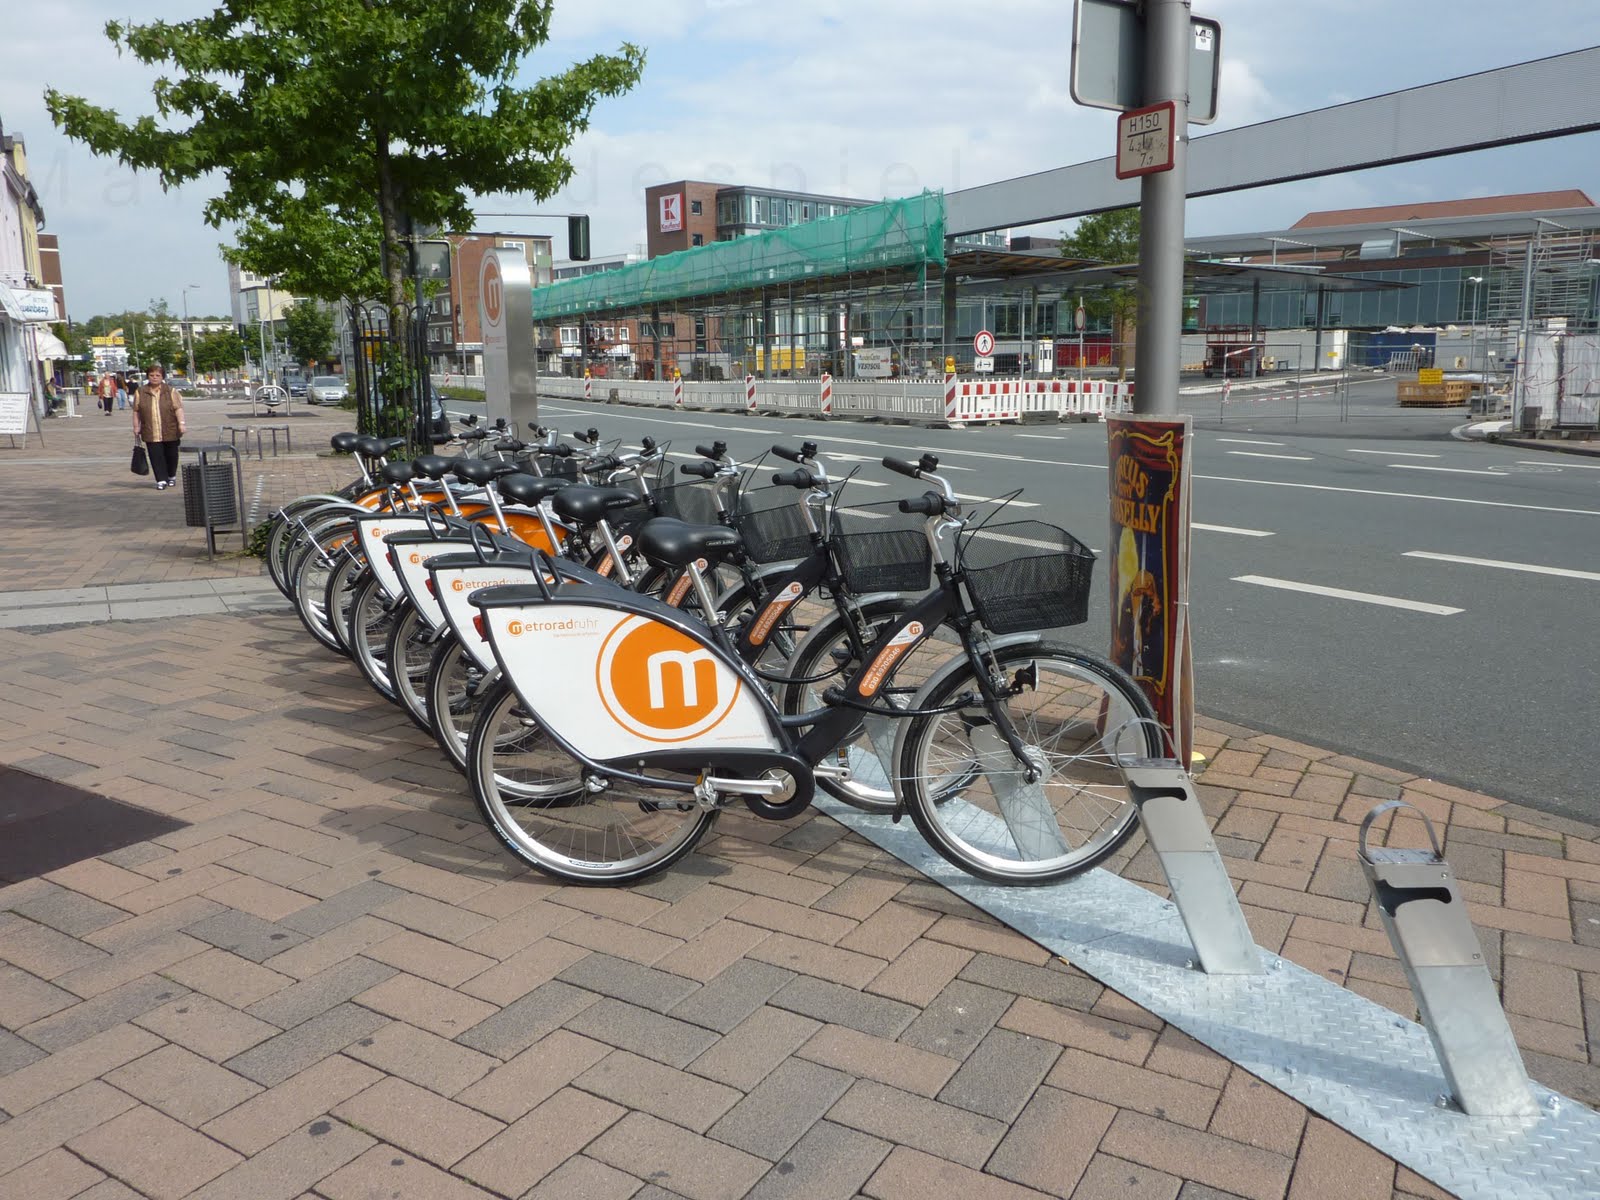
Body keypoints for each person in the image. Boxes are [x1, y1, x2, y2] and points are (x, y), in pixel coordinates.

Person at [131, 364, 186, 490]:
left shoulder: (170, 391)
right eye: (151, 375)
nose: (154, 377)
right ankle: (161, 479)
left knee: (171, 455)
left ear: (162, 377)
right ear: (148, 376)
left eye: (157, 375)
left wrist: (181, 423)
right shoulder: (140, 392)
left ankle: (171, 476)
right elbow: (136, 411)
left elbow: (178, 408)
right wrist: (136, 426)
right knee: (155, 456)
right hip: (150, 430)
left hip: (170, 429)